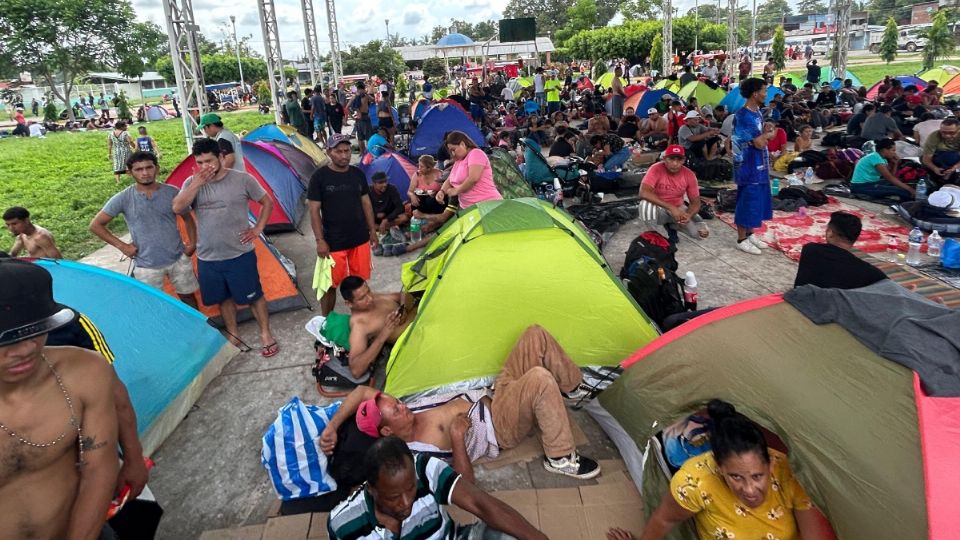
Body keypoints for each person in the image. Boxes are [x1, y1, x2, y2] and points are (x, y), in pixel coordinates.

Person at [321, 324, 602, 481]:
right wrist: (456, 438)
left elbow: (359, 393)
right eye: (396, 410)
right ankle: (561, 457)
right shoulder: (416, 456)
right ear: (386, 431)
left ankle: (573, 387)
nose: (403, 405)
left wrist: (333, 426)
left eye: (398, 402)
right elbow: (464, 484)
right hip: (500, 426)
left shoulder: (396, 411)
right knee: (539, 379)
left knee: (534, 334)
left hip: (494, 393)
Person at [0, 259, 118, 540]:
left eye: (35, 330)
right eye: (6, 338)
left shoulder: (84, 371)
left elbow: (99, 467)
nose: (27, 348)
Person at [610, 399, 836, 540]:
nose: (749, 489)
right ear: (718, 468)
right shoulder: (695, 480)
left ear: (770, 464)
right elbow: (665, 520)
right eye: (735, 476)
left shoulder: (790, 476)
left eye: (758, 476)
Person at [171, 138, 279, 356]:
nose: (205, 167)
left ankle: (265, 333)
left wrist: (257, 229)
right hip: (208, 256)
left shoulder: (242, 179)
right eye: (200, 162)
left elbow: (267, 202)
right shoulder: (192, 183)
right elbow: (177, 208)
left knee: (254, 296)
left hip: (240, 253)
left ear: (221, 157)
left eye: (209, 161)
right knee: (223, 298)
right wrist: (196, 183)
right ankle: (233, 333)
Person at [327, 436, 547, 540]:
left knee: (511, 536)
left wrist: (537, 538)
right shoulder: (344, 525)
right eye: (394, 497)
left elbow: (480, 504)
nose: (406, 503)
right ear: (371, 489)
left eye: (411, 488)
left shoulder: (423, 468)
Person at [89, 151, 199, 308]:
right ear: (129, 172)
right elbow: (95, 225)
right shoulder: (124, 198)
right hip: (145, 264)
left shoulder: (172, 192)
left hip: (178, 258)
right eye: (139, 169)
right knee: (151, 305)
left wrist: (192, 244)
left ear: (157, 168)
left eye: (149, 167)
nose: (145, 173)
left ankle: (201, 331)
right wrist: (123, 246)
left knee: (188, 298)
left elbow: (188, 218)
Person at [307, 134, 378, 315]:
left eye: (347, 151)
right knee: (330, 284)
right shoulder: (319, 177)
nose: (344, 155)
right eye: (338, 151)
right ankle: (326, 321)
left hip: (360, 238)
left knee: (359, 281)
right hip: (333, 242)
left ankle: (361, 318)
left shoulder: (358, 174)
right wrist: (319, 240)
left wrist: (372, 230)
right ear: (329, 152)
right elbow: (314, 210)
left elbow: (366, 203)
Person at [337, 276, 414, 378]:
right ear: (349, 304)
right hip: (418, 339)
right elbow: (356, 371)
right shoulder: (360, 326)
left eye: (368, 291)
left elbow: (405, 296)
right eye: (362, 298)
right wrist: (384, 333)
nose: (370, 298)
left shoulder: (373, 298)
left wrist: (403, 308)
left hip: (425, 314)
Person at [732, 78, 775, 255]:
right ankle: (741, 238)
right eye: (764, 91)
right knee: (747, 200)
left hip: (759, 164)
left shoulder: (756, 111)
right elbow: (757, 142)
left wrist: (766, 130)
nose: (766, 94)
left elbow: (760, 136)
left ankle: (750, 234)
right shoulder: (742, 116)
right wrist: (770, 134)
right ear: (755, 93)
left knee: (757, 200)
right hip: (747, 166)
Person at [794, 212, 888, 289]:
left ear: (830, 233)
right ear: (855, 238)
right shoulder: (868, 272)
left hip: (801, 303)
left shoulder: (810, 250)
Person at [640, 145, 708, 244]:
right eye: (671, 159)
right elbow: (643, 192)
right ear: (664, 159)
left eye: (679, 159)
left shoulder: (689, 175)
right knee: (645, 205)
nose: (675, 163)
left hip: (678, 207)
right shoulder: (656, 168)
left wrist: (688, 215)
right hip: (658, 208)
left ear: (684, 160)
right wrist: (671, 208)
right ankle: (653, 235)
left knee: (699, 235)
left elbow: (695, 202)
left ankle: (672, 226)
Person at [436, 131, 503, 209]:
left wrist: (456, 191)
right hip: (468, 208)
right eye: (451, 151)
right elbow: (450, 179)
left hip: (487, 204)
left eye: (453, 150)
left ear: (462, 144)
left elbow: (473, 178)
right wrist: (442, 191)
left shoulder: (476, 153)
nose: (453, 154)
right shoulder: (458, 161)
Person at [921, 117, 960, 184]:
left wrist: (954, 168)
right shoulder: (934, 136)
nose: (947, 136)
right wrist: (934, 168)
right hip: (939, 157)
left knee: (952, 156)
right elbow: (926, 158)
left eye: (952, 133)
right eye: (943, 132)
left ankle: (947, 176)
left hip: (955, 158)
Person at [370, 172, 409, 237]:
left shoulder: (391, 188)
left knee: (404, 217)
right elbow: (363, 209)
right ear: (374, 184)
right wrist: (375, 214)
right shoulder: (368, 191)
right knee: (363, 223)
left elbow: (400, 207)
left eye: (385, 181)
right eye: (380, 183)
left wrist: (386, 219)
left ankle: (382, 228)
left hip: (390, 217)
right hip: (374, 219)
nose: (384, 184)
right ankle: (386, 228)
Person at [351, 83, 375, 155]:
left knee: (361, 137)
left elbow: (373, 100)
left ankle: (364, 152)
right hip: (363, 117)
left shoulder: (360, 96)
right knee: (365, 137)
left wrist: (353, 116)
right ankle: (364, 152)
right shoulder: (361, 97)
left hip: (361, 117)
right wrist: (354, 116)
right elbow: (347, 107)